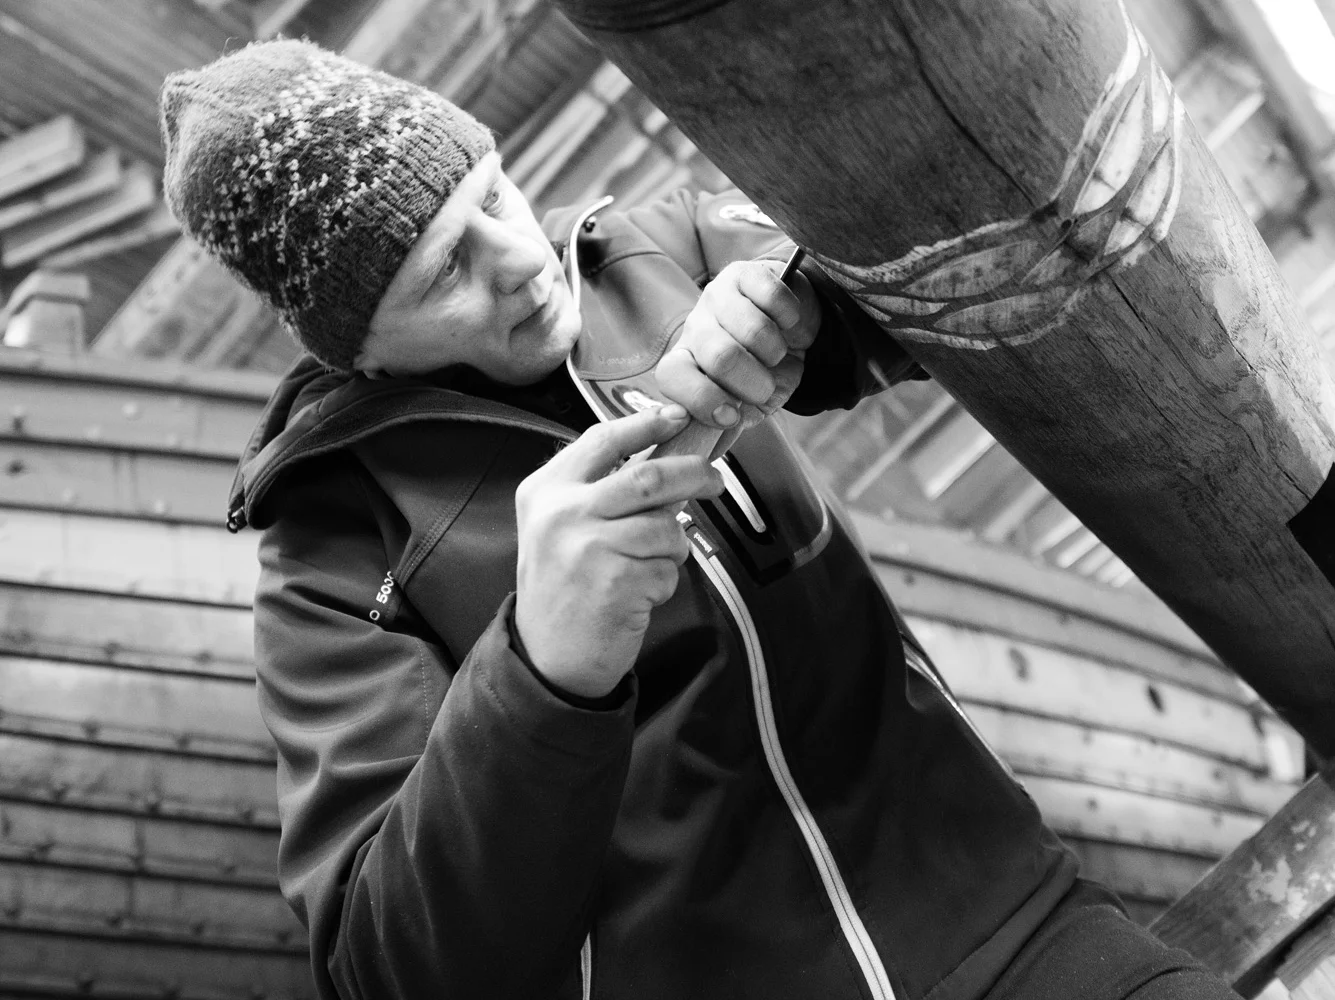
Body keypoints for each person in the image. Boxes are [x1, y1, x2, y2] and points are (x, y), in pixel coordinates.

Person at [160, 38, 1241, 1000]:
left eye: (489, 194)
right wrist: (542, 672)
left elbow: (943, 264)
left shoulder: (653, 245)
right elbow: (386, 965)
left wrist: (802, 299)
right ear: (361, 350)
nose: (521, 261)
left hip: (1021, 919)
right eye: (448, 269)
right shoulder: (331, 558)